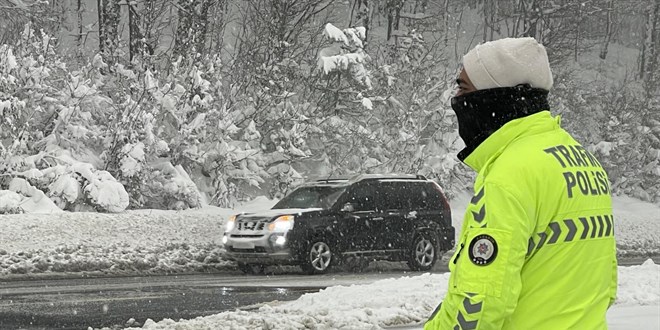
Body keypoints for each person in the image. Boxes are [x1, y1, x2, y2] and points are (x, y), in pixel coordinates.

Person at [424, 37, 617, 329]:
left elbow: (479, 302)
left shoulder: (509, 175)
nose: (456, 99)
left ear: (493, 96)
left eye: (463, 87)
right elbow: (604, 279)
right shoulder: (582, 159)